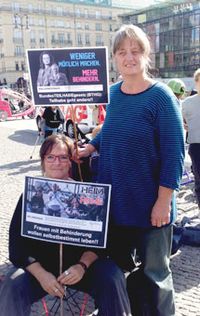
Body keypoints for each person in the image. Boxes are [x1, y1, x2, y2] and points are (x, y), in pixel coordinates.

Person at [75, 24, 185, 316]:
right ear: (114, 58)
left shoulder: (161, 97)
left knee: (155, 277)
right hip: (116, 204)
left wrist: (163, 202)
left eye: (135, 51)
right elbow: (112, 131)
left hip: (151, 206)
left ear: (146, 55)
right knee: (119, 271)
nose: (129, 57)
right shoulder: (112, 93)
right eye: (122, 52)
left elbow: (175, 154)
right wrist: (92, 146)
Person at [0, 134, 132, 316]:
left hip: (79, 269)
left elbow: (102, 241)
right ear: (43, 161)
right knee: (12, 284)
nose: (57, 162)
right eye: (50, 157)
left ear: (70, 162)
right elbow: (17, 247)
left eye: (63, 157)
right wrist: (42, 275)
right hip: (41, 269)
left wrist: (82, 266)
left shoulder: (88, 196)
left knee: (113, 276)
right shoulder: (29, 196)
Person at [182, 68, 200, 210]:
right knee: (199, 181)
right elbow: (182, 122)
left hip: (195, 145)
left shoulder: (187, 102)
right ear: (196, 83)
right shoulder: (187, 103)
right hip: (196, 146)